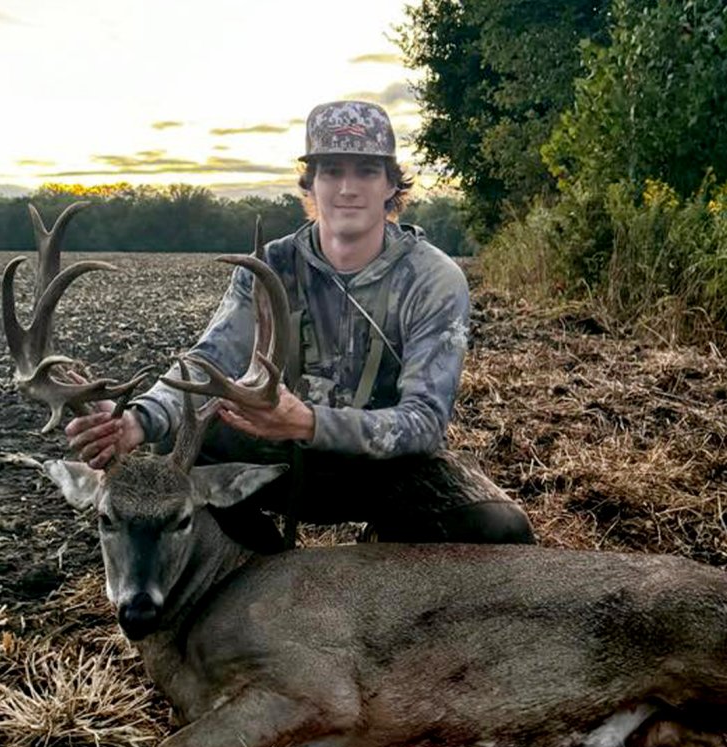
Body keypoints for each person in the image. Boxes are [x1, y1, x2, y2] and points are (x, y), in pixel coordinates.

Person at [65, 100, 534, 548]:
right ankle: (260, 570)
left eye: (367, 171)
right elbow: (209, 362)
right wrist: (136, 421)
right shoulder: (271, 266)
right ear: (310, 183)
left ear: (392, 184)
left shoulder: (432, 278)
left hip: (384, 469)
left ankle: (388, 549)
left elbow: (423, 423)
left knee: (499, 531)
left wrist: (308, 422)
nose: (348, 188)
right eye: (331, 171)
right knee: (181, 441)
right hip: (276, 460)